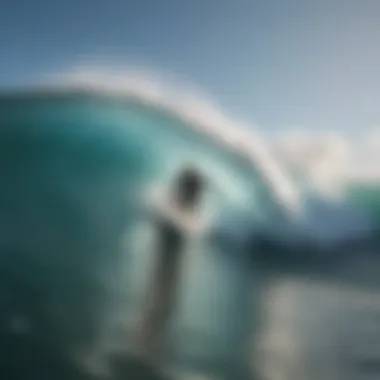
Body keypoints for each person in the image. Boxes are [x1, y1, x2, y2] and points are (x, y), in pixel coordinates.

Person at [136, 167, 207, 369]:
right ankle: (146, 344)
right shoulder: (171, 203)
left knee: (165, 303)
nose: (194, 194)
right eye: (192, 189)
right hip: (166, 257)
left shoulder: (191, 207)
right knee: (159, 300)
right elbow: (164, 216)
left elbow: (192, 226)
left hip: (174, 260)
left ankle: (150, 346)